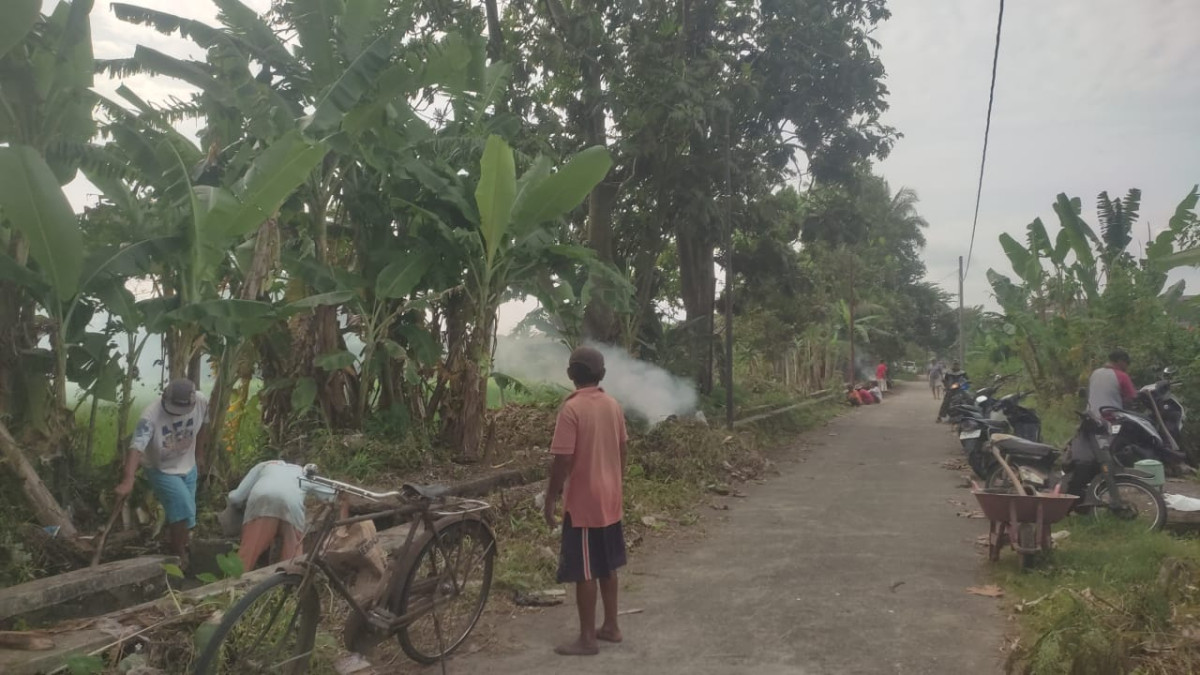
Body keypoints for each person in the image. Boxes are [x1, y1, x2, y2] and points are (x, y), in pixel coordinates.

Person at [544, 346, 628, 656]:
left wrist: (551, 499)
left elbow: (562, 460)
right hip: (610, 497)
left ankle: (587, 639)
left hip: (583, 503)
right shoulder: (613, 405)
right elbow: (622, 450)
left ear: (570, 375)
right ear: (602, 375)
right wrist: (616, 481)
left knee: (585, 569)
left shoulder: (571, 410)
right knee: (608, 564)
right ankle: (611, 626)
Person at [115, 379, 209, 568]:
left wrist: (199, 454)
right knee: (183, 509)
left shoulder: (201, 401)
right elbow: (136, 447)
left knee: (187, 517)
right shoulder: (150, 415)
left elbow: (204, 426)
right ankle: (179, 555)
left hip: (187, 465)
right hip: (161, 470)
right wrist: (129, 479)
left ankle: (174, 542)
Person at [221, 460, 335, 572]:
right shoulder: (303, 473)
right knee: (292, 559)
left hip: (264, 502)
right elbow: (333, 495)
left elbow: (235, 498)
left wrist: (237, 504)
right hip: (291, 506)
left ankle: (233, 585)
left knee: (248, 554)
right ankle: (289, 585)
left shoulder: (263, 466)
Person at [1087, 348, 1137, 419]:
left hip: (1091, 416)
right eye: (1127, 363)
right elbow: (1132, 398)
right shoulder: (1122, 376)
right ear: (1120, 361)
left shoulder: (1095, 373)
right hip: (1111, 418)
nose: (1127, 367)